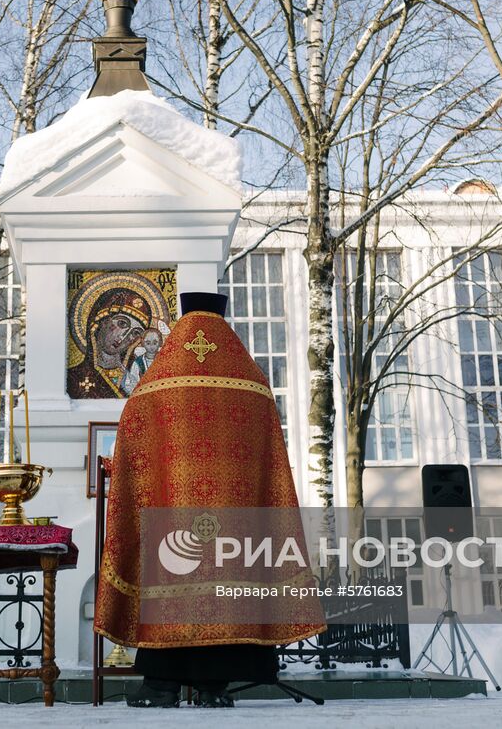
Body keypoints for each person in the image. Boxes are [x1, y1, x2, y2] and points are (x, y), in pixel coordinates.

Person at [94, 291, 323, 708]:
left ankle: (161, 685)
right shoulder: (252, 381)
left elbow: (132, 437)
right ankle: (214, 688)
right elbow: (269, 457)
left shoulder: (156, 381)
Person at [67, 287, 152, 399]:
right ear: (101, 321)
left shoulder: (134, 381)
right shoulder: (73, 378)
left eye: (135, 333)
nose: (124, 336)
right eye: (122, 323)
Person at [119, 326, 164, 395]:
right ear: (143, 343)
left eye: (155, 343)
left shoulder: (164, 360)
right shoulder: (138, 362)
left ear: (160, 342)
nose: (151, 346)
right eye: (148, 343)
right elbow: (132, 383)